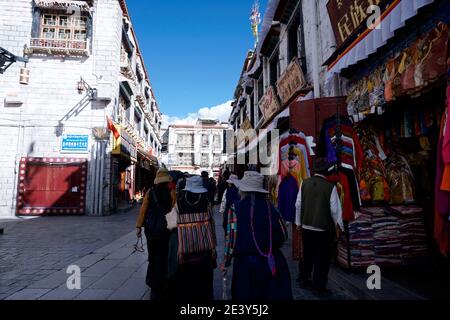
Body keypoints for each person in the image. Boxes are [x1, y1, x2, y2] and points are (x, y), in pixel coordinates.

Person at [222, 171, 293, 300]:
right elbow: (284, 234)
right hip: (271, 260)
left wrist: (226, 262)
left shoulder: (235, 208)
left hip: (245, 266)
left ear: (243, 189)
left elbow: (231, 240)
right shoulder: (271, 207)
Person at [294, 158, 344, 296]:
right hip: (323, 229)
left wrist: (298, 223)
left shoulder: (304, 183)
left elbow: (298, 205)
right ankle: (318, 286)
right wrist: (339, 227)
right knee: (322, 259)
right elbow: (335, 210)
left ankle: (304, 279)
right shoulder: (330, 187)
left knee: (307, 255)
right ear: (326, 171)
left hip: (306, 226)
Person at [169, 176, 217, 300]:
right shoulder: (206, 202)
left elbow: (171, 225)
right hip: (204, 249)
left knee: (186, 283)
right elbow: (212, 225)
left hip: (185, 250)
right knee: (203, 284)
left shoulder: (179, 202)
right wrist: (214, 247)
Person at [136, 168, 176, 300]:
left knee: (152, 256)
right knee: (163, 256)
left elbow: (143, 210)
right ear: (167, 180)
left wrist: (138, 227)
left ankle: (153, 284)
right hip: (165, 231)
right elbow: (174, 210)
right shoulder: (172, 192)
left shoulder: (150, 192)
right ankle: (162, 284)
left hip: (151, 230)